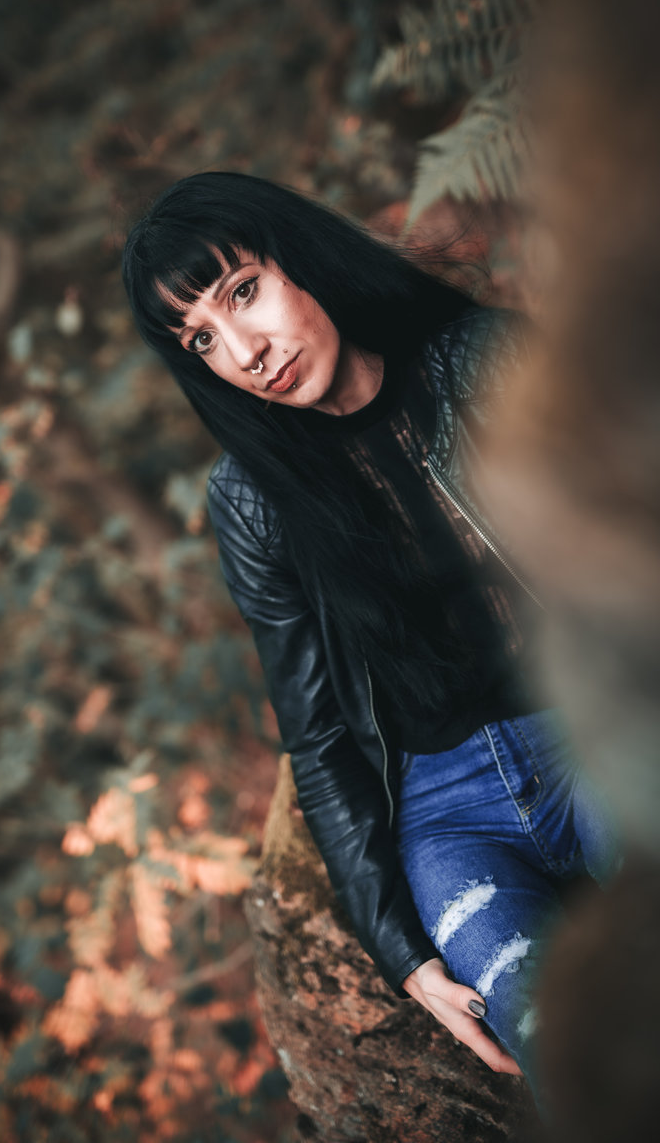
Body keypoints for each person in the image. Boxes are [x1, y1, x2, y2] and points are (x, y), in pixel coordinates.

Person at [121, 171, 618, 1096]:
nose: (245, 352)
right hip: (449, 816)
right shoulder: (252, 501)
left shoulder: (484, 360)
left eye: (243, 291)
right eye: (202, 340)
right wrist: (401, 953)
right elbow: (316, 737)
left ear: (300, 258)